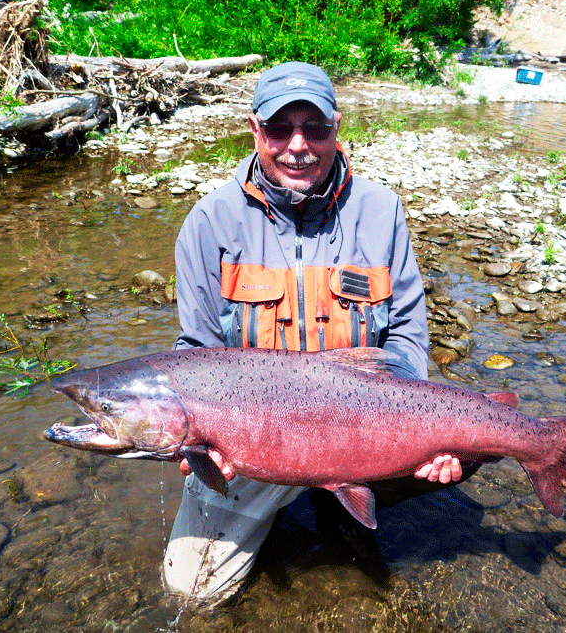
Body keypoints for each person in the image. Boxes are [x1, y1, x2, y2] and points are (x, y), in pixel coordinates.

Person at [164, 61, 462, 609]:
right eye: (280, 128)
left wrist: (418, 436)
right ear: (254, 129)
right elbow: (198, 354)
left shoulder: (380, 211)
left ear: (337, 128)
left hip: (361, 429)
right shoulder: (211, 222)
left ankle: (343, 498)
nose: (298, 146)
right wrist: (200, 444)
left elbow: (407, 340)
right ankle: (291, 499)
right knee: (193, 593)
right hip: (252, 441)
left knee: (474, 445)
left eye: (315, 129)